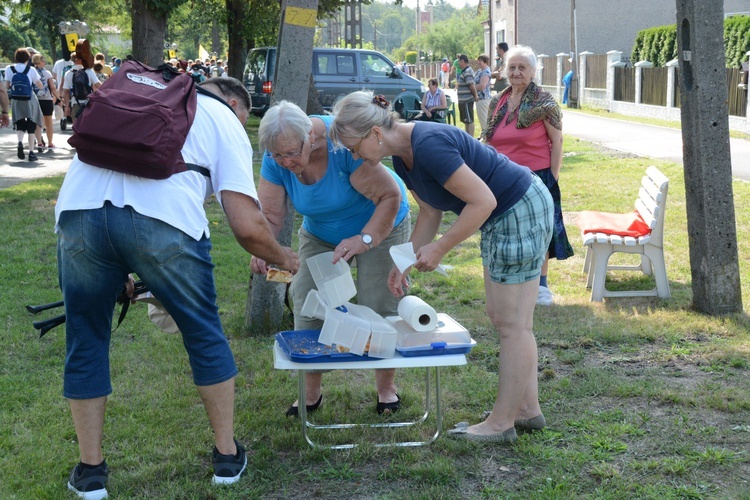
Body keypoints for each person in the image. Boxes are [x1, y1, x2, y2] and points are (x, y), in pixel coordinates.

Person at [54, 77, 300, 497]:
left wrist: (121, 265)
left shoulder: (135, 96)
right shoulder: (225, 119)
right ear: (236, 103)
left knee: (86, 338)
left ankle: (90, 472)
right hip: (164, 220)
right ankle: (226, 457)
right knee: (204, 333)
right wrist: (284, 257)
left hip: (78, 213)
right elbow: (246, 224)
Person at [330, 91, 553, 444]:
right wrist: (402, 263)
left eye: (354, 148)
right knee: (503, 316)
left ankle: (502, 423)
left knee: (513, 324)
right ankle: (525, 410)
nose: (355, 156)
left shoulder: (430, 144)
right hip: (504, 214)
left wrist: (441, 249)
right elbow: (431, 212)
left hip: (517, 207)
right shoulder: (403, 157)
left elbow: (483, 201)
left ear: (374, 134)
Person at [251, 100, 410, 417]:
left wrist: (364, 239)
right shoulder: (277, 158)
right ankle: (310, 394)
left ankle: (386, 389)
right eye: (277, 155)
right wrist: (263, 247)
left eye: (292, 153)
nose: (286, 162)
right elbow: (270, 213)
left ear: (310, 135)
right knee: (308, 302)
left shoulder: (342, 143)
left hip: (380, 223)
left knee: (379, 302)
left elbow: (389, 196)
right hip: (322, 231)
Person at [482, 45, 573, 306]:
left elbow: (557, 141)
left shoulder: (544, 102)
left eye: (522, 67)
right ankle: (503, 281)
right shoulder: (498, 101)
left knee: (538, 233)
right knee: (502, 230)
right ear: (505, 71)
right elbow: (489, 138)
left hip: (536, 178)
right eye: (512, 67)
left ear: (533, 71)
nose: (516, 72)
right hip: (501, 178)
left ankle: (541, 286)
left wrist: (552, 177)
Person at [5, 48, 44, 162]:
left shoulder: (9, 68)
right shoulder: (31, 69)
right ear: (28, 58)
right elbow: (40, 85)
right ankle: (31, 153)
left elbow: (7, 85)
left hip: (17, 100)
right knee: (31, 126)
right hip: (30, 99)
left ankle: (20, 142)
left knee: (20, 124)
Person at [62, 51, 101, 124]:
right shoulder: (89, 71)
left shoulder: (68, 73)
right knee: (89, 126)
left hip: (75, 103)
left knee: (77, 128)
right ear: (80, 59)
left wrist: (67, 106)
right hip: (89, 102)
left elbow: (66, 91)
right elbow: (99, 85)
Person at [31, 53, 59, 150]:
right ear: (38, 61)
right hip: (46, 100)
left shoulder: (31, 72)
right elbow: (52, 87)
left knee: (37, 122)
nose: (45, 62)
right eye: (43, 60)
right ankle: (50, 143)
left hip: (35, 100)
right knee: (48, 123)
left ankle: (39, 142)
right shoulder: (47, 73)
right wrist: (59, 98)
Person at [456, 54, 478, 137]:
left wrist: (475, 95)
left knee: (469, 120)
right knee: (466, 120)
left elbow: (471, 85)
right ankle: (467, 137)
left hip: (466, 100)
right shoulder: (464, 71)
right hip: (463, 101)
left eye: (459, 61)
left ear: (462, 61)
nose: (458, 63)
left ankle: (470, 138)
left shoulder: (467, 72)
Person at [474, 54, 492, 130]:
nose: (478, 62)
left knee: (484, 120)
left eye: (480, 61)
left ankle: (486, 137)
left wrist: (471, 87)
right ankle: (483, 135)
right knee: (481, 118)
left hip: (483, 99)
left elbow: (482, 86)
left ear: (485, 62)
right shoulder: (479, 71)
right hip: (479, 99)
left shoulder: (486, 72)